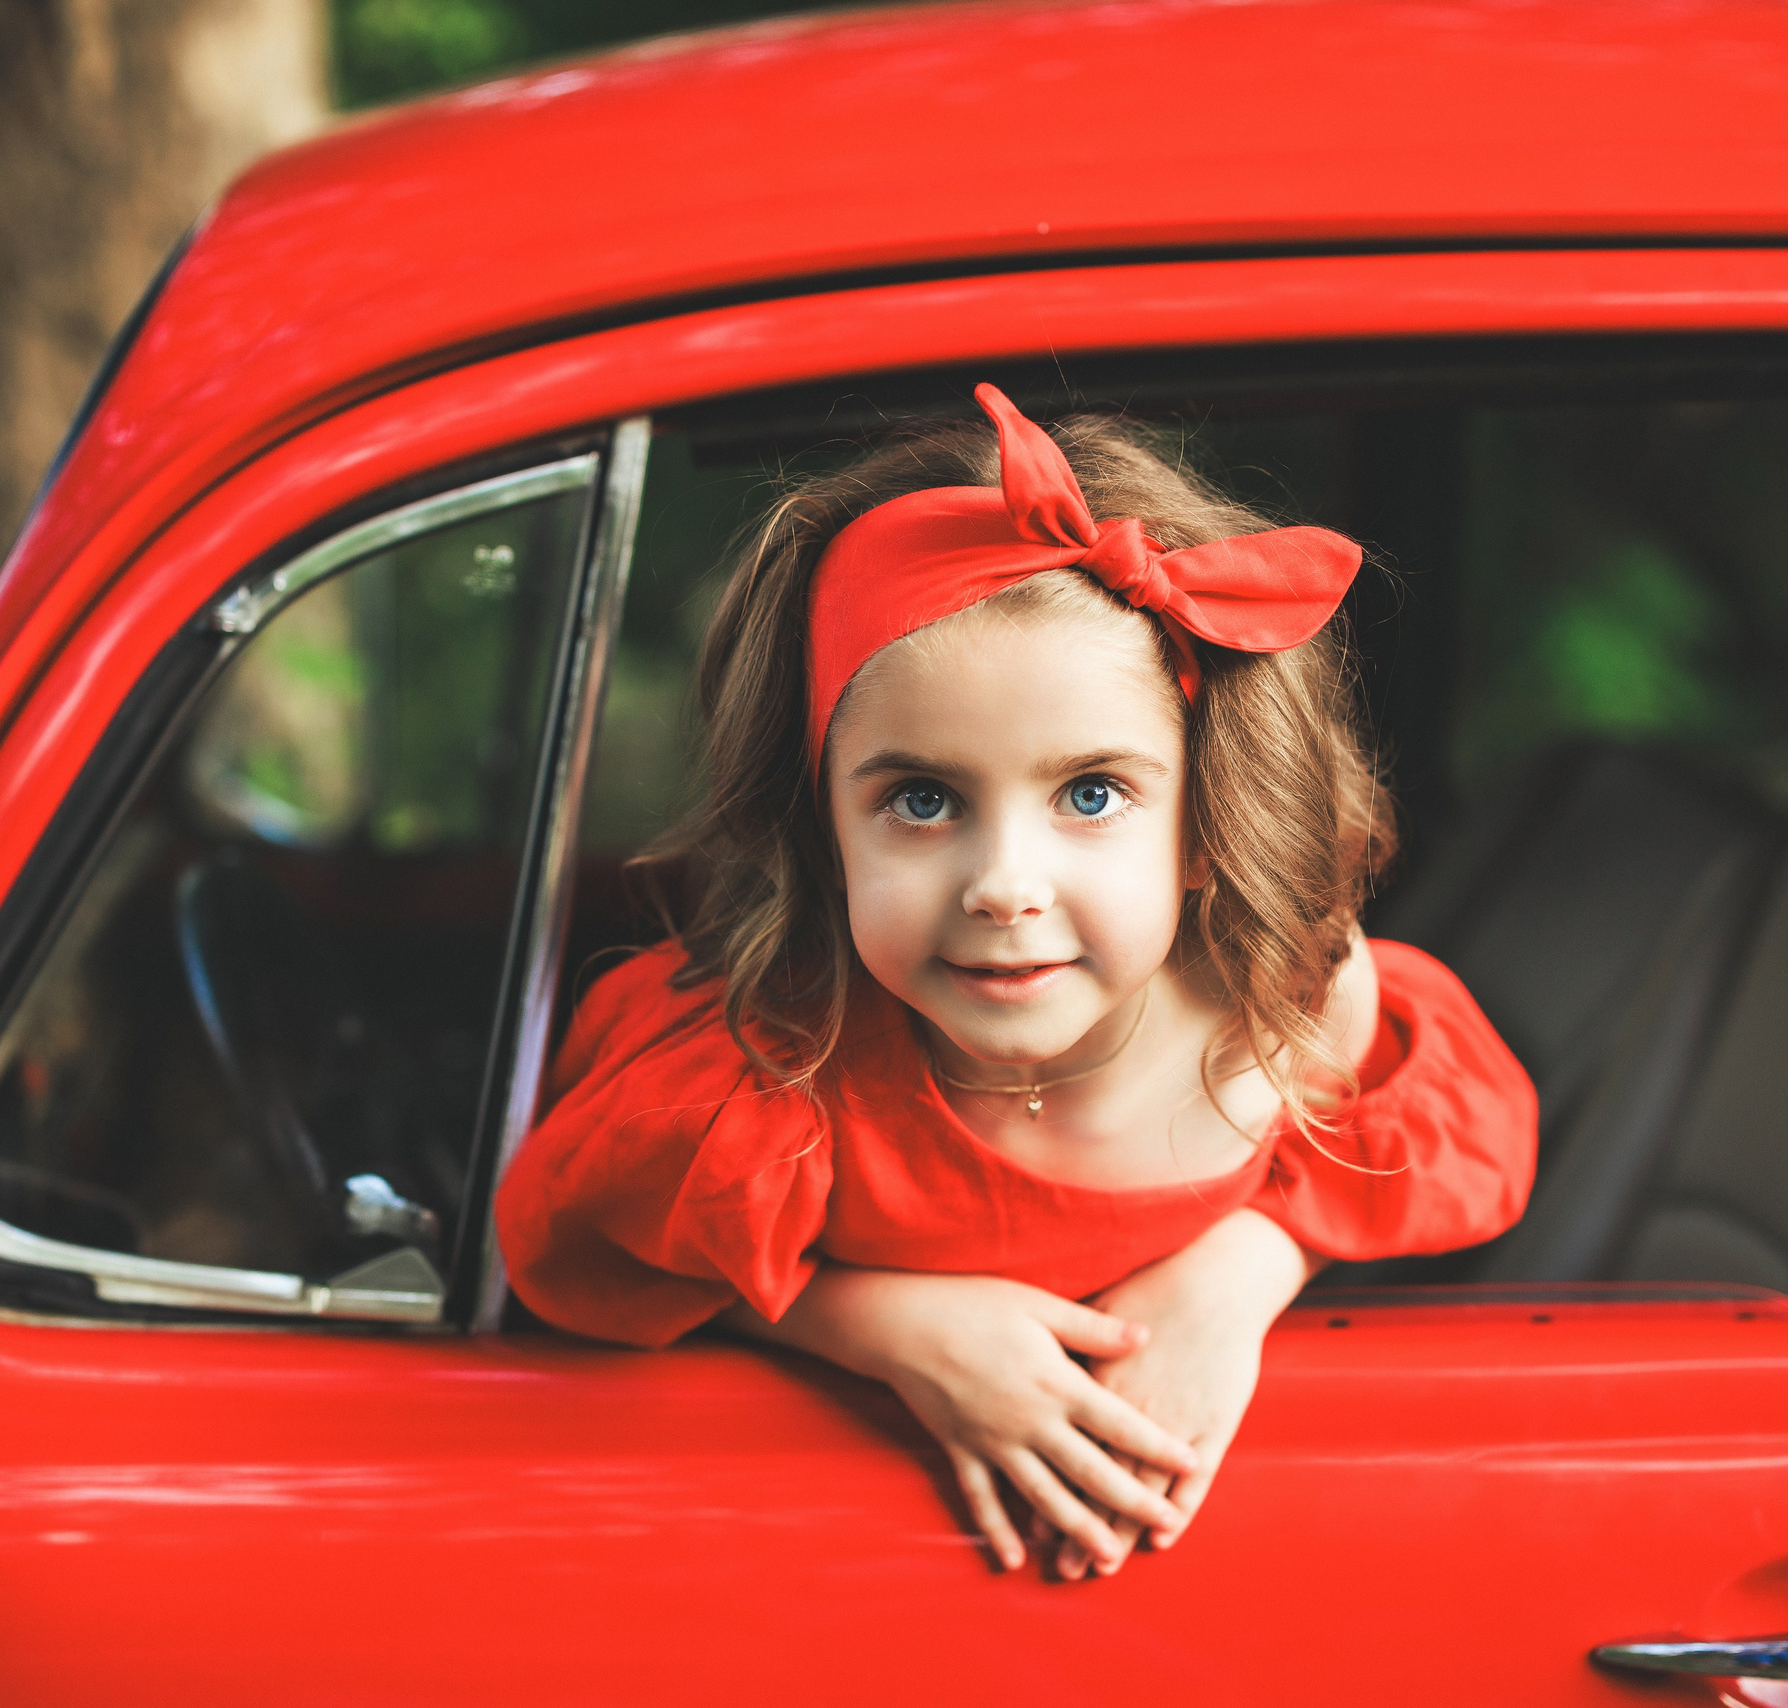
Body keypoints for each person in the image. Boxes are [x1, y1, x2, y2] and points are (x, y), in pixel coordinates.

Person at [497, 383, 1537, 1580]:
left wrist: (1244, 1269)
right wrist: (887, 1327)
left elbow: (1466, 1131)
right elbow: (582, 1248)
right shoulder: (777, 1063)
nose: (1002, 883)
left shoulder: (1286, 1007)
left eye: (1091, 794)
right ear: (822, 830)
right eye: (921, 800)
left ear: (1205, 824)